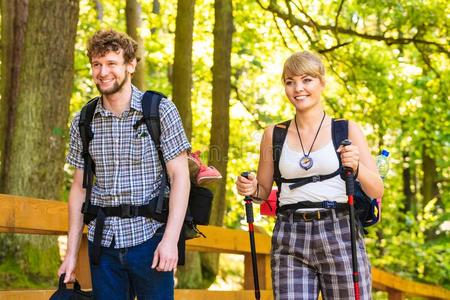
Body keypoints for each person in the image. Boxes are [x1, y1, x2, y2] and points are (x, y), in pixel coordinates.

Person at [236, 51, 383, 300]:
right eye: (290, 81)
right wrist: (250, 188)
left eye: (307, 80)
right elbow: (262, 192)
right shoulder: (275, 134)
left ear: (322, 82)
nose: (298, 88)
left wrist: (356, 167)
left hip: (339, 231)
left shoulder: (345, 129)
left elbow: (377, 190)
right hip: (289, 234)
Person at [58, 29, 191, 300]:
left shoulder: (160, 110)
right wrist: (71, 255)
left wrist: (170, 241)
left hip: (151, 241)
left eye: (111, 63)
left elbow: (180, 177)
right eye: (97, 64)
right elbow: (79, 190)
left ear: (130, 65)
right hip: (103, 245)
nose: (103, 72)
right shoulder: (83, 121)